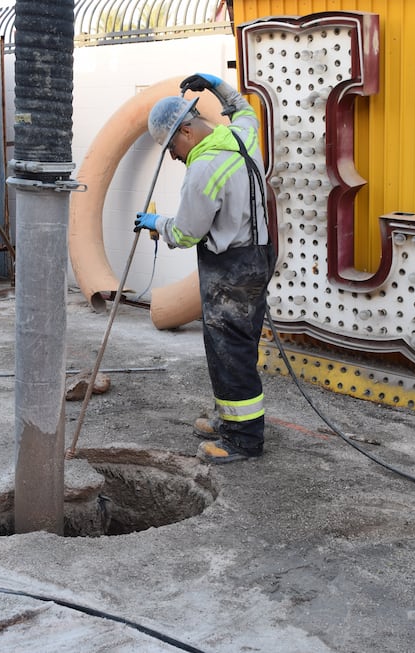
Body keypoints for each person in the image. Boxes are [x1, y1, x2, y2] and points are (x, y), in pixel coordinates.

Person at [135, 73, 276, 464]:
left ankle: (244, 439)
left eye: (171, 147)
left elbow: (184, 233)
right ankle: (231, 419)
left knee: (229, 350)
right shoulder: (243, 136)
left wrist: (154, 222)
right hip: (257, 256)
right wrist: (217, 85)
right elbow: (244, 109)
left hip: (230, 270)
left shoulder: (203, 169)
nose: (174, 156)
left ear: (186, 130)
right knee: (236, 347)